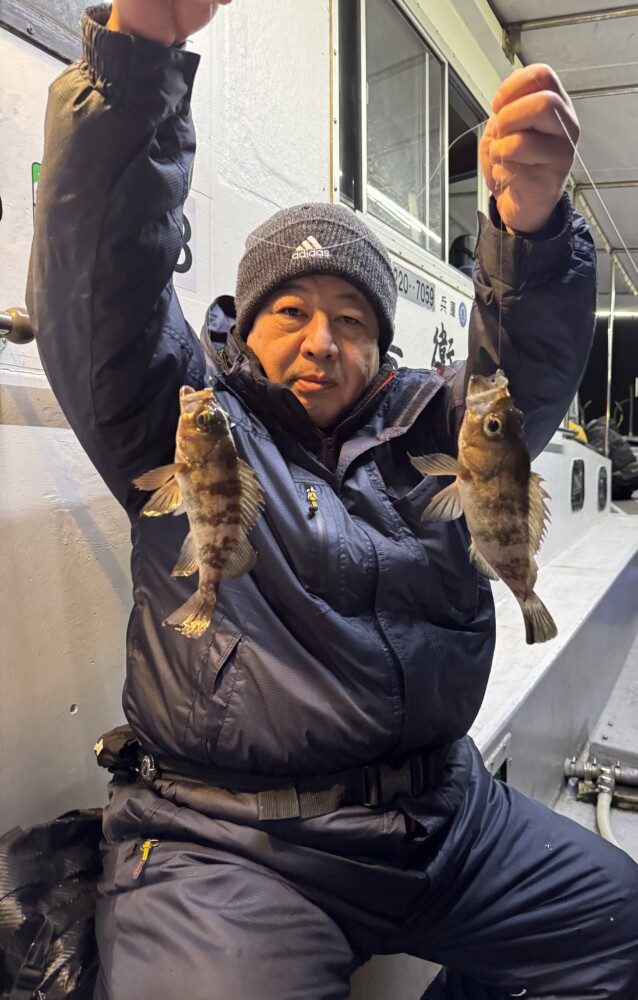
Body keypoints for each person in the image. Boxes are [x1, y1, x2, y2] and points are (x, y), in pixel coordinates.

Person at [27, 2, 638, 998]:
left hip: (443, 817)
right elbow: (100, 286)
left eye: (350, 317)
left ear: (382, 342)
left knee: (618, 927)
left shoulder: (431, 423)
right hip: (228, 840)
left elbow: (513, 385)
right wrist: (133, 62)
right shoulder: (182, 414)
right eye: (290, 313)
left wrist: (527, 230)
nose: (321, 339)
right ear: (240, 326)